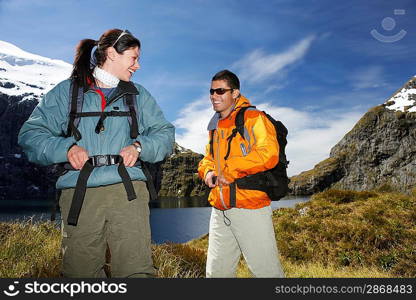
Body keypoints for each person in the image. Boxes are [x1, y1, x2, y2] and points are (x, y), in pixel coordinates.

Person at [18, 29, 175, 278]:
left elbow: (164, 134)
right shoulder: (66, 93)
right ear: (112, 54)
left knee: (136, 272)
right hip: (79, 193)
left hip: (128, 192)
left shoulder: (138, 95)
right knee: (80, 275)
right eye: (134, 58)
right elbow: (30, 135)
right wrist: (66, 148)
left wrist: (139, 146)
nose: (138, 65)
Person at [198, 70, 284, 278]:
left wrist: (231, 170)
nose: (213, 96)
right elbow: (208, 158)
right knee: (216, 274)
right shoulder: (215, 127)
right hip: (220, 209)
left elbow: (269, 154)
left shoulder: (254, 118)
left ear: (235, 93)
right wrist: (208, 172)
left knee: (266, 273)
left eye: (220, 91)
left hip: (250, 208)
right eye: (211, 91)